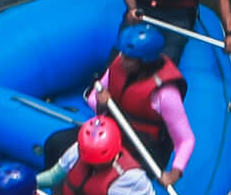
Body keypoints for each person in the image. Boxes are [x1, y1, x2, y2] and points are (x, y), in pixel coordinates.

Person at [82, 23, 195, 180]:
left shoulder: (165, 93)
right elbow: (93, 98)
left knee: (109, 179)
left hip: (143, 150)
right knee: (57, 143)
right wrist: (101, 103)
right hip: (111, 136)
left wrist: (175, 173)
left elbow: (186, 140)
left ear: (145, 61)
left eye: (129, 58)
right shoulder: (118, 67)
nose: (122, 60)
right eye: (123, 54)